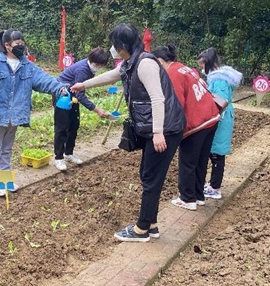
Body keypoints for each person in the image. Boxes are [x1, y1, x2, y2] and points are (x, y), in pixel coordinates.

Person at [72, 24, 185, 242]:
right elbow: (111, 76)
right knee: (147, 173)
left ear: (123, 45)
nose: (112, 49)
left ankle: (141, 229)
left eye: (114, 45)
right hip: (157, 127)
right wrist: (83, 85)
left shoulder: (145, 64)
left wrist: (158, 132)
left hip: (165, 129)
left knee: (151, 177)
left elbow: (158, 98)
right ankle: (151, 224)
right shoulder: (129, 63)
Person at [0, 29, 68, 197]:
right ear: (7, 45)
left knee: (7, 148)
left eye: (22, 42)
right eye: (17, 43)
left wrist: (59, 88)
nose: (21, 46)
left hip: (16, 114)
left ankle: (4, 180)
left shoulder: (27, 66)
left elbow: (44, 80)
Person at [152, 45, 220, 211]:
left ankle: (187, 198)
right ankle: (198, 196)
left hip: (197, 122)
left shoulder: (171, 74)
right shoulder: (183, 67)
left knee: (188, 161)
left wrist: (169, 131)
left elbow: (176, 104)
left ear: (160, 61)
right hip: (211, 117)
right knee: (200, 160)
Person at [52, 47, 111, 171]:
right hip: (62, 96)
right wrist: (97, 110)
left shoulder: (89, 68)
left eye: (101, 65)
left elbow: (79, 92)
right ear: (90, 59)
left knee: (73, 125)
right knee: (62, 128)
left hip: (72, 96)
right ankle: (58, 158)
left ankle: (68, 153)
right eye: (96, 64)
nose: (98, 67)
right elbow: (80, 95)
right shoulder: (83, 69)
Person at [197, 48, 243, 200]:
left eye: (202, 66)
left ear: (208, 64)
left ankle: (215, 187)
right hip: (219, 118)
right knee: (214, 151)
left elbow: (221, 101)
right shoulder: (218, 77)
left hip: (220, 119)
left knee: (217, 153)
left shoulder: (219, 80)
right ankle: (212, 184)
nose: (201, 69)